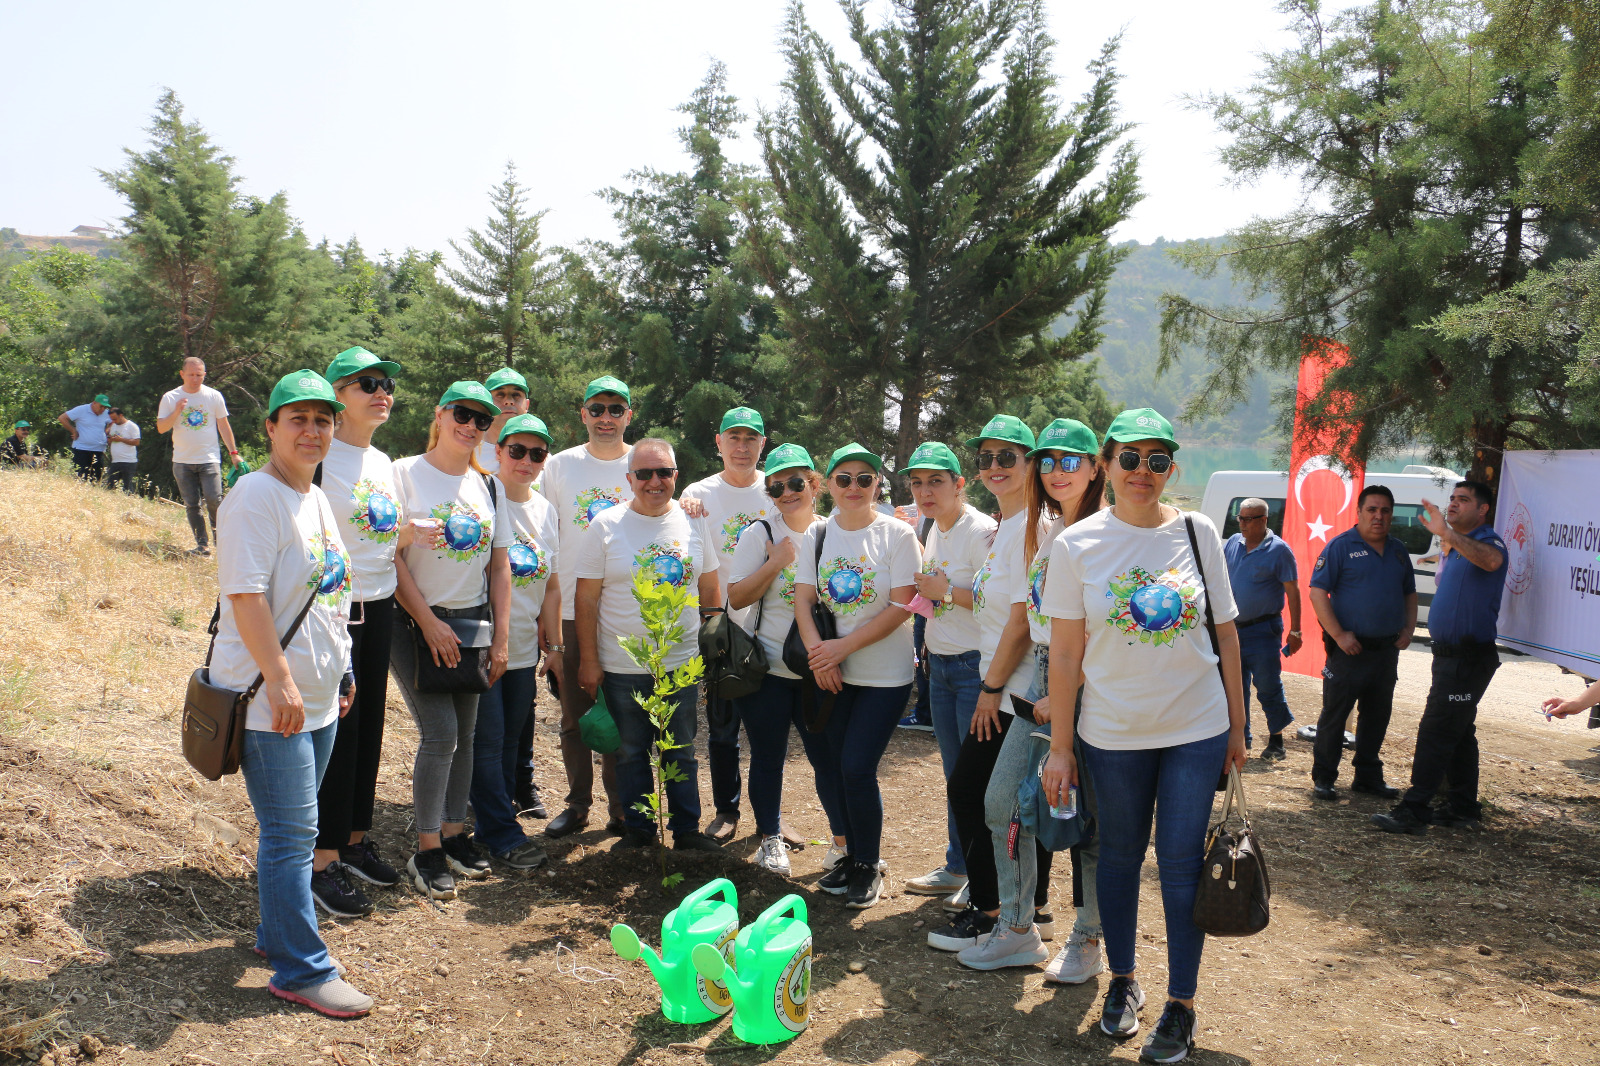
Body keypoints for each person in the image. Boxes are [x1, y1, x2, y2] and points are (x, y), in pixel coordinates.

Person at [1040, 408, 1247, 1062]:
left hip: (1196, 727)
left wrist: (1239, 728)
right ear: (1106, 464)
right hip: (1111, 733)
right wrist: (1062, 746)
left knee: (1183, 864)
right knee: (1121, 857)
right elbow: (1067, 656)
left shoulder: (1198, 531)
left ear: (1171, 470)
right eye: (1130, 458)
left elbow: (1226, 633)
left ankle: (1181, 1004)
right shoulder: (1078, 545)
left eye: (1158, 461)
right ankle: (1123, 982)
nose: (1143, 472)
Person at [213, 368, 372, 1018]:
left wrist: (345, 671)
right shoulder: (255, 495)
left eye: (323, 420)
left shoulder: (314, 497)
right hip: (269, 699)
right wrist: (279, 680)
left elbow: (330, 595)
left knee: (291, 833)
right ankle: (300, 970)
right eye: (298, 419)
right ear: (271, 427)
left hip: (319, 694)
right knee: (292, 834)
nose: (312, 430)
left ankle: (277, 933)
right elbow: (244, 596)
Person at [966, 419, 1106, 981]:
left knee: (1088, 821)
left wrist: (1063, 692)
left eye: (1071, 460)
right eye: (1048, 461)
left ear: (1095, 468)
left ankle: (1090, 938)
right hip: (1044, 681)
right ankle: (1018, 929)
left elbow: (1108, 627)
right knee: (1003, 804)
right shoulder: (1049, 533)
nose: (1056, 471)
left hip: (1088, 683)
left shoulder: (1104, 532)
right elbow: (1033, 616)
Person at [391, 381, 513, 900]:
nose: (470, 426)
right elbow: (388, 556)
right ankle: (426, 850)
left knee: (465, 732)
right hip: (412, 622)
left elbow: (500, 565)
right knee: (440, 735)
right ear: (439, 414)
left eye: (481, 420)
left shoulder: (489, 486)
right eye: (461, 414)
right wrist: (427, 621)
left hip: (470, 625)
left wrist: (501, 638)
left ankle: (455, 833)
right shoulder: (401, 474)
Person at [934, 415, 1053, 947]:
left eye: (1009, 456)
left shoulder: (1037, 528)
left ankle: (992, 911)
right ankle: (1020, 904)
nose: (995, 467)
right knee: (1001, 799)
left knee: (977, 794)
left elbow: (1023, 620)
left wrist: (990, 689)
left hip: (1016, 691)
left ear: (1033, 464)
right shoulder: (1010, 527)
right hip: (1000, 686)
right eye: (986, 458)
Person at [574, 437, 722, 851]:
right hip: (622, 665)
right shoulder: (606, 525)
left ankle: (687, 833)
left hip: (680, 662)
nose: (654, 481)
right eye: (644, 473)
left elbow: (710, 583)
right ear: (629, 479)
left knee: (681, 752)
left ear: (676, 476)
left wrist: (710, 638)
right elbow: (585, 597)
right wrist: (589, 660)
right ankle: (639, 835)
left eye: (664, 473)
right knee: (630, 753)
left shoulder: (694, 521)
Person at [306, 346, 410, 917]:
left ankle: (352, 840)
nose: (381, 392)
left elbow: (380, 536)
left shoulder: (383, 462)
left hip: (381, 603)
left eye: (386, 383)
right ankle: (320, 861)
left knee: (369, 727)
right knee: (337, 733)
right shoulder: (323, 456)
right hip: (334, 610)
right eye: (366, 383)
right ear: (337, 396)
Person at [795, 442, 920, 909]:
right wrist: (819, 657)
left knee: (856, 767)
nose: (853, 487)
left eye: (864, 479)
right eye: (843, 478)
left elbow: (903, 604)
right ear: (827, 484)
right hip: (831, 672)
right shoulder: (818, 534)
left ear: (877, 485)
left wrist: (841, 649)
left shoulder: (896, 535)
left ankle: (868, 863)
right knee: (834, 766)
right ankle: (850, 858)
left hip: (883, 675)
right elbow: (803, 599)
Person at [1373, 481, 1507, 835]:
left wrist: (1448, 533)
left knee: (1436, 729)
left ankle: (1414, 810)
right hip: (1447, 657)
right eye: (1452, 499)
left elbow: (1493, 561)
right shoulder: (1453, 547)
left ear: (1483, 510)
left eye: (1464, 500)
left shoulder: (1488, 542)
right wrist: (1445, 541)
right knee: (1459, 731)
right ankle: (1462, 807)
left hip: (1469, 657)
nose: (1453, 504)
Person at [727, 444, 832, 874]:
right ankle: (770, 838)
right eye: (776, 487)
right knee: (768, 757)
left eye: (795, 483)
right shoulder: (760, 533)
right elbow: (735, 596)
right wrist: (775, 564)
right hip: (769, 668)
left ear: (813, 483)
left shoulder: (832, 531)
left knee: (826, 758)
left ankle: (842, 841)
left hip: (820, 670)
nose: (787, 493)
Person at [537, 374, 634, 837]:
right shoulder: (558, 466)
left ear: (628, 416)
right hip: (572, 610)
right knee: (574, 714)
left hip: (625, 611)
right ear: (583, 414)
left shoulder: (645, 465)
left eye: (616, 410)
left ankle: (622, 808)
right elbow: (542, 535)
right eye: (597, 409)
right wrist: (548, 619)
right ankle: (577, 805)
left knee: (621, 713)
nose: (606, 418)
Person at [898, 442, 994, 903]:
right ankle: (960, 866)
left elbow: (1002, 602)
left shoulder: (982, 531)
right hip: (941, 668)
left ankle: (982, 877)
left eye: (935, 481)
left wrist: (945, 591)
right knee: (956, 777)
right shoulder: (935, 528)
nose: (924, 491)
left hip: (975, 669)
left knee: (977, 781)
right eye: (917, 482)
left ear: (960, 484)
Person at [680, 406, 778, 843]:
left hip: (770, 625)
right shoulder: (699, 492)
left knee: (770, 732)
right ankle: (726, 810)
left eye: (751, 439)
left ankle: (770, 817)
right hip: (720, 625)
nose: (742, 447)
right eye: (733, 438)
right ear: (718, 442)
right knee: (723, 727)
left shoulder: (776, 488)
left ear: (763, 444)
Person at [469, 413, 561, 869]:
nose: (527, 460)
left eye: (537, 453)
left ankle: (495, 818)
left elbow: (553, 583)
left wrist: (555, 645)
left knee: (508, 739)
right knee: (486, 740)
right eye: (517, 450)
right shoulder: (483, 495)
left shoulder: (545, 510)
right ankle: (499, 829)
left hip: (524, 644)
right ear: (498, 450)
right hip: (484, 641)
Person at [1308, 485, 1417, 802]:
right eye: (1372, 509)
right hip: (1349, 652)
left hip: (1385, 652)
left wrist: (1408, 628)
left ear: (1392, 515)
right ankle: (1324, 778)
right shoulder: (1341, 547)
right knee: (1335, 715)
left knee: (1376, 717)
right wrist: (1340, 635)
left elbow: (1409, 593)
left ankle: (1367, 778)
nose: (1378, 516)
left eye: (1385, 510)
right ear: (1359, 512)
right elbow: (1318, 592)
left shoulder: (1398, 551)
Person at [1221, 497, 1302, 759]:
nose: (1242, 524)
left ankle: (1276, 740)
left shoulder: (1279, 551)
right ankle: (1242, 738)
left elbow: (1294, 592)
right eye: (1240, 519)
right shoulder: (1233, 543)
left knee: (1267, 684)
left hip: (1263, 629)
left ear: (1264, 520)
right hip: (1232, 630)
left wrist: (1296, 630)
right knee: (1235, 684)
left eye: (1248, 519)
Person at [158, 358, 241, 556]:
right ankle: (202, 545)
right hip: (182, 460)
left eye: (199, 374)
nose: (195, 379)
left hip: (209, 458)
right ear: (182, 374)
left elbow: (224, 426)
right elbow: (161, 428)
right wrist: (177, 410)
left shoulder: (213, 396)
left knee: (214, 500)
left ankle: (221, 542)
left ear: (204, 374)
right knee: (192, 505)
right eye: (191, 374)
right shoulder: (171, 397)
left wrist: (234, 453)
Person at [476, 367, 530, 475]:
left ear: (527, 405)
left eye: (516, 395)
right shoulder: (469, 452)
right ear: (485, 404)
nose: (509, 401)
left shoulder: (538, 455)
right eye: (500, 395)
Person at [57, 393, 112, 483]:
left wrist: (107, 431)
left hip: (98, 449)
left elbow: (114, 421)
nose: (103, 409)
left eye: (105, 407)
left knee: (96, 478)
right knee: (82, 477)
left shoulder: (106, 413)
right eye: (101, 406)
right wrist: (73, 431)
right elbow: (62, 418)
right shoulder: (81, 409)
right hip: (82, 448)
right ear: (94, 403)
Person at [104, 408, 141, 493]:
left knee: (127, 487)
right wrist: (110, 439)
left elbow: (136, 442)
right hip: (115, 461)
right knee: (110, 485)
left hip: (128, 461)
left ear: (121, 415)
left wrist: (121, 439)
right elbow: (111, 438)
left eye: (115, 419)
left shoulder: (132, 426)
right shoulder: (113, 426)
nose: (113, 421)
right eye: (111, 419)